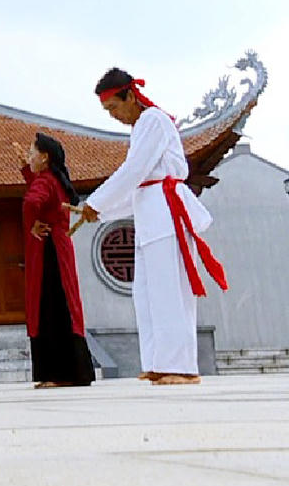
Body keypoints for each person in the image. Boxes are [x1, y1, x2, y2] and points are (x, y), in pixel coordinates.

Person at [71, 69, 227, 385]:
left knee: (170, 291)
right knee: (147, 294)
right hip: (151, 214)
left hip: (168, 215)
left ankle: (181, 367)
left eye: (113, 107)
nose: (113, 116)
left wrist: (97, 203)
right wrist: (98, 213)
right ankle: (159, 361)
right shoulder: (142, 127)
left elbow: (135, 170)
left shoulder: (153, 121)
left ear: (130, 95)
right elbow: (138, 186)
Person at [15, 135, 96, 388]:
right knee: (62, 306)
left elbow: (31, 201)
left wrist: (31, 225)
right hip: (60, 246)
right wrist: (27, 170)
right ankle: (68, 372)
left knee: (50, 306)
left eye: (32, 153)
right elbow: (40, 192)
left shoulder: (45, 181)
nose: (30, 156)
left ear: (45, 157)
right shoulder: (53, 180)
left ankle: (58, 374)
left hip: (49, 249)